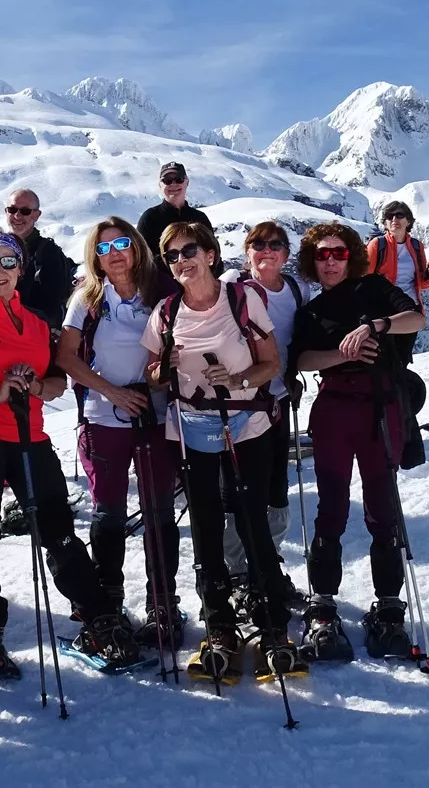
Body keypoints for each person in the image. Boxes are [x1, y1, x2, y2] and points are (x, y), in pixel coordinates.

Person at [0, 230, 141, 681]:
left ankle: (96, 617)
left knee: (60, 531)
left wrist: (32, 387)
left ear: (20, 268)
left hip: (29, 436)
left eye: (8, 262)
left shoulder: (35, 323)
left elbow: (56, 383)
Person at [141, 221, 303, 682]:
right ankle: (219, 626)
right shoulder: (167, 310)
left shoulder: (241, 300)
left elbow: (272, 363)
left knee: (252, 522)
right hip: (191, 427)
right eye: (171, 255)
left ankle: (274, 625)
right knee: (206, 528)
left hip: (245, 425)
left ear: (210, 254)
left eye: (188, 250)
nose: (181, 260)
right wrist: (162, 369)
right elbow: (152, 371)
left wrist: (238, 380)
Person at [289, 223, 429, 661]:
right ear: (313, 262)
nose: (330, 261)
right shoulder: (310, 311)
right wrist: (343, 353)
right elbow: (302, 359)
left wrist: (375, 326)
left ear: (352, 256)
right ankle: (325, 602)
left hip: (380, 409)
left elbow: (416, 317)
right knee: (330, 508)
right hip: (336, 408)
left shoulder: (374, 289)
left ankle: (388, 605)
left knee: (382, 508)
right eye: (322, 255)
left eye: (338, 254)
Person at [55, 216, 181, 644]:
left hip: (156, 412)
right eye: (104, 248)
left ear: (136, 247)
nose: (115, 254)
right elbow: (66, 357)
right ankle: (107, 603)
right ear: (95, 256)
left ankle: (163, 602)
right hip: (104, 414)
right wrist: (112, 392)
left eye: (122, 243)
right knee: (108, 511)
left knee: (160, 510)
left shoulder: (160, 291)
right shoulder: (87, 298)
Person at [220, 222, 308, 616]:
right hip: (242, 405)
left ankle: (267, 566)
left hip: (277, 400)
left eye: (275, 245)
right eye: (258, 244)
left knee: (275, 488)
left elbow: (297, 341)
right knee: (243, 490)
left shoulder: (294, 290)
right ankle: (240, 572)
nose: (267, 251)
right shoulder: (231, 287)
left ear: (286, 255)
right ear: (246, 252)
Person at [3, 188, 76, 329]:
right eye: (12, 210)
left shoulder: (48, 253)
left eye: (25, 211)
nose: (17, 216)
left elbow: (52, 310)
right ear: (6, 212)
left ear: (37, 215)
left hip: (33, 337)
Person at [369, 201, 429, 323]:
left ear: (408, 221)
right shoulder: (378, 244)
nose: (395, 219)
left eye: (400, 215)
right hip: (383, 308)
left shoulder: (417, 246)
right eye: (390, 216)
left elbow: (422, 283)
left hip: (410, 307)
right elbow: (365, 278)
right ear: (385, 223)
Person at [136, 161, 214, 264]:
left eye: (178, 179)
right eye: (167, 181)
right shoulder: (149, 218)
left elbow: (214, 255)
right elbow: (141, 259)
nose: (173, 184)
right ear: (160, 185)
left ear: (187, 182)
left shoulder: (200, 218)